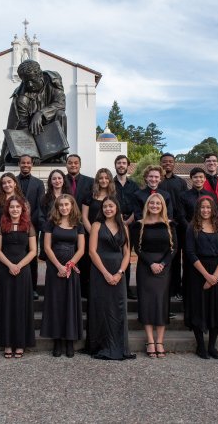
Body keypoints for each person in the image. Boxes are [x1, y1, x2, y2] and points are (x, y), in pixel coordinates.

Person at [0, 59, 68, 171]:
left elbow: (60, 103)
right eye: (26, 82)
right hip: (30, 131)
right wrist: (32, 154)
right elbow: (22, 126)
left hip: (50, 127)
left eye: (32, 80)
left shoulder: (53, 79)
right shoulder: (21, 98)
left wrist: (40, 114)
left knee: (61, 114)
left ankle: (58, 155)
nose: (29, 85)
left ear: (40, 75)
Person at [87, 197, 135, 360]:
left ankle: (119, 345)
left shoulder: (124, 227)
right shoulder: (96, 225)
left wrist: (119, 273)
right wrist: (106, 273)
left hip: (118, 271)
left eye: (111, 206)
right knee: (101, 307)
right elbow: (92, 251)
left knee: (118, 308)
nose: (108, 209)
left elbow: (127, 253)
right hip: (100, 271)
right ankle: (101, 345)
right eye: (105, 206)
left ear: (117, 208)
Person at [131, 193, 176, 359]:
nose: (155, 206)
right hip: (146, 267)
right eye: (152, 203)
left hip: (164, 268)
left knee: (161, 303)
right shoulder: (139, 225)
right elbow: (138, 248)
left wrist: (162, 264)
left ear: (162, 205)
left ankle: (160, 341)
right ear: (147, 205)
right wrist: (151, 263)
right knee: (147, 303)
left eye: (158, 203)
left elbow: (174, 249)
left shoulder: (170, 224)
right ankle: (150, 340)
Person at [184, 196, 218, 360]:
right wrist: (206, 276)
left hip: (217, 273)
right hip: (198, 272)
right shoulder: (192, 227)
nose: (205, 210)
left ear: (213, 210)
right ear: (198, 209)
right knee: (199, 307)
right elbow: (190, 253)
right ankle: (200, 346)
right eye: (202, 207)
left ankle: (212, 346)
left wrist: (214, 276)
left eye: (208, 208)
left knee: (216, 309)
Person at [41, 194, 85, 358]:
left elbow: (81, 249)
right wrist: (59, 266)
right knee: (56, 304)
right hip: (54, 268)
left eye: (67, 205)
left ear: (72, 206)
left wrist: (69, 266)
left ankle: (69, 341)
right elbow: (47, 247)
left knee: (70, 303)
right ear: (57, 207)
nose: (64, 208)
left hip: (71, 269)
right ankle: (57, 340)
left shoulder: (78, 225)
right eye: (61, 205)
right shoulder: (50, 223)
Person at [0, 195, 37, 358]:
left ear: (22, 209)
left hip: (23, 270)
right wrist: (10, 265)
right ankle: (7, 343)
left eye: (17, 207)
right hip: (6, 269)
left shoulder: (28, 225)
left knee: (21, 306)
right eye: (12, 207)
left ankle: (20, 343)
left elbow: (33, 250)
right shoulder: (2, 225)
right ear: (8, 209)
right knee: (6, 305)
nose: (14, 210)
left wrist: (19, 265)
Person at [82, 168, 121, 298]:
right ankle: (89, 293)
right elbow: (84, 217)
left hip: (109, 236)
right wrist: (94, 233)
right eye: (101, 178)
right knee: (90, 262)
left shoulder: (114, 197)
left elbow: (117, 217)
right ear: (97, 180)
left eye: (106, 178)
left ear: (110, 180)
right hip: (91, 234)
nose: (103, 180)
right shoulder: (89, 196)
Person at [159, 153, 188, 301]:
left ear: (174, 164)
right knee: (168, 257)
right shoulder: (157, 181)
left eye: (170, 162)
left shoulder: (181, 183)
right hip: (163, 226)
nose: (167, 164)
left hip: (180, 225)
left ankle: (179, 288)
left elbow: (184, 203)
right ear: (160, 163)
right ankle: (168, 289)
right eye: (165, 162)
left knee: (181, 257)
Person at [16, 155, 45, 299]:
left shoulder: (39, 183)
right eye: (23, 163)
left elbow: (40, 206)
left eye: (28, 163)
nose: (25, 165)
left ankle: (33, 288)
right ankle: (18, 286)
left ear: (32, 164)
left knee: (32, 257)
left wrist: (30, 223)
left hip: (32, 226)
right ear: (19, 164)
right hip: (14, 225)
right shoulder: (12, 181)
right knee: (16, 254)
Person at [0, 172, 24, 275]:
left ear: (15, 183)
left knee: (15, 268)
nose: (7, 185)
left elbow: (26, 219)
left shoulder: (22, 201)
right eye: (4, 183)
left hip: (15, 239)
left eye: (9, 182)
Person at [113, 154, 139, 227]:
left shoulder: (134, 186)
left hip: (132, 222)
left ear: (128, 166)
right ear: (115, 166)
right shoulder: (110, 185)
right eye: (119, 163)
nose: (121, 165)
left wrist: (129, 221)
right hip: (114, 222)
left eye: (124, 163)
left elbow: (139, 205)